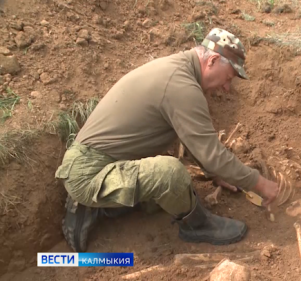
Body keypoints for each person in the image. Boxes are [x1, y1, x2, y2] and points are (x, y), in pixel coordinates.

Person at [55, 28, 279, 252]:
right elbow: (213, 156)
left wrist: (216, 174)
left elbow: (195, 142)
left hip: (102, 162)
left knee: (164, 194)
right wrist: (261, 184)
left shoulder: (178, 71)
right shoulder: (182, 87)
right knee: (171, 174)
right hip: (89, 173)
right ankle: (196, 226)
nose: (227, 88)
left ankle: (101, 207)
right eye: (228, 77)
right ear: (212, 60)